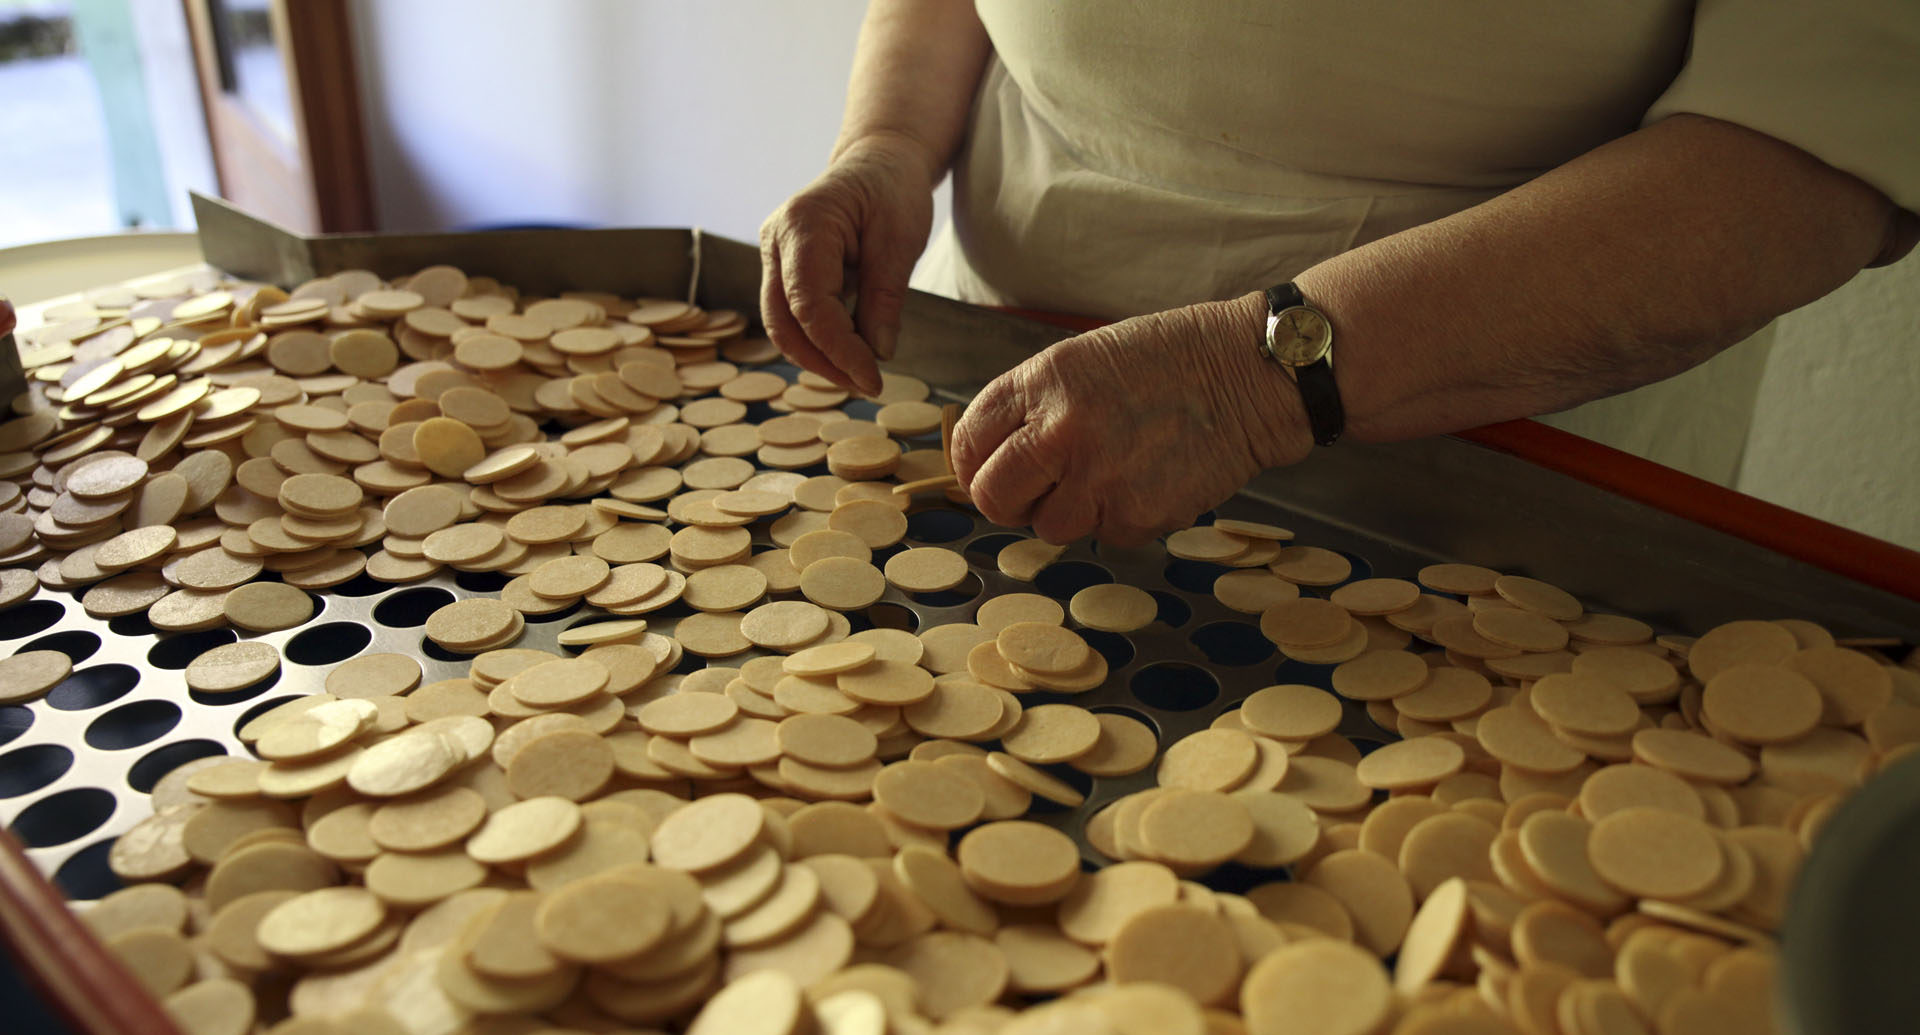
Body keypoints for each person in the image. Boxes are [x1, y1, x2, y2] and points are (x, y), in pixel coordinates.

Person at [759, 1, 1918, 549]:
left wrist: (1249, 379)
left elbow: (1801, 167)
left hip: (1499, 474)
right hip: (1008, 377)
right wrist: (889, 144)